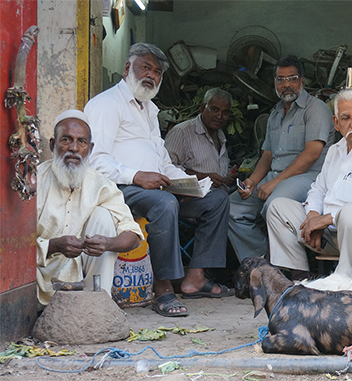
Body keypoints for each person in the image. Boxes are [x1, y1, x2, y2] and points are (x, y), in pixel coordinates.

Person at [84, 43, 232, 318]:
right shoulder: (106, 105)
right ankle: (162, 287)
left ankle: (195, 277)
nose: (151, 75)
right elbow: (94, 160)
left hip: (153, 189)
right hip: (119, 189)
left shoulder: (149, 110)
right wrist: (137, 176)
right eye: (146, 67)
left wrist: (186, 183)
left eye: (157, 72)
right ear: (128, 68)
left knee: (216, 199)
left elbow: (163, 161)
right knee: (164, 204)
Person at [266, 89, 352, 280]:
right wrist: (313, 216)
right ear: (336, 123)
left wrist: (327, 219)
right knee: (278, 208)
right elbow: (318, 189)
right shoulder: (335, 151)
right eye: (346, 118)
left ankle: (345, 286)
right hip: (333, 236)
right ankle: (299, 280)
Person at [228, 55, 335, 261]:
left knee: (274, 204)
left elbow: (311, 154)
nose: (286, 84)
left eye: (292, 78)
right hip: (276, 177)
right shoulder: (275, 114)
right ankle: (260, 260)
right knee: (230, 207)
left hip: (310, 177)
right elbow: (267, 156)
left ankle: (286, 263)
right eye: (280, 79)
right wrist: (252, 181)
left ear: (302, 81)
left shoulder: (316, 109)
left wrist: (274, 183)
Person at [36, 110, 143, 308]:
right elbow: (13, 246)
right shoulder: (34, 181)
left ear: (90, 148)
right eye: (66, 140)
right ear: (53, 144)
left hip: (83, 277)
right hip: (36, 281)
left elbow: (133, 234)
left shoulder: (102, 185)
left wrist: (108, 243)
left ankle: (98, 306)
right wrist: (54, 246)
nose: (74, 148)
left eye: (82, 142)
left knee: (103, 217)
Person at [165, 88, 238, 192]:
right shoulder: (182, 132)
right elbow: (165, 168)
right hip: (191, 197)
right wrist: (201, 177)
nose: (219, 116)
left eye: (225, 112)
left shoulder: (220, 134)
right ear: (203, 107)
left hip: (221, 196)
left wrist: (227, 176)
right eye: (215, 110)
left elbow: (214, 167)